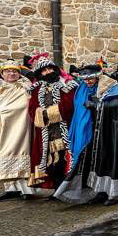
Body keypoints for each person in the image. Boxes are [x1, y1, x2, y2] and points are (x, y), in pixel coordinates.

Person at [55, 64, 118, 206]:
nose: (87, 82)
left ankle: (116, 193)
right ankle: (100, 191)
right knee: (98, 162)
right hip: (96, 133)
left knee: (112, 161)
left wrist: (96, 105)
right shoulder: (84, 88)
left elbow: (117, 105)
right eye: (85, 80)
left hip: (112, 134)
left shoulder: (111, 86)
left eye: (90, 79)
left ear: (98, 77)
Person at [0, 59, 36, 200]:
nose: (11, 74)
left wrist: (8, 111)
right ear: (2, 74)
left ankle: (27, 189)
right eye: (8, 71)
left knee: (21, 153)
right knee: (3, 154)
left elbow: (28, 105)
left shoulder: (25, 87)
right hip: (1, 128)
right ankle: (11, 188)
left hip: (20, 127)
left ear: (19, 73)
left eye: (14, 71)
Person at [26, 52, 78, 191]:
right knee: (50, 163)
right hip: (46, 132)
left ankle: (66, 189)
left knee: (65, 159)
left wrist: (47, 113)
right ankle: (56, 189)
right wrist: (41, 115)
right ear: (40, 73)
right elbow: (32, 109)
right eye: (44, 70)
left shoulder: (66, 85)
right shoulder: (36, 89)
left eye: (50, 68)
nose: (48, 72)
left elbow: (69, 105)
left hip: (65, 129)